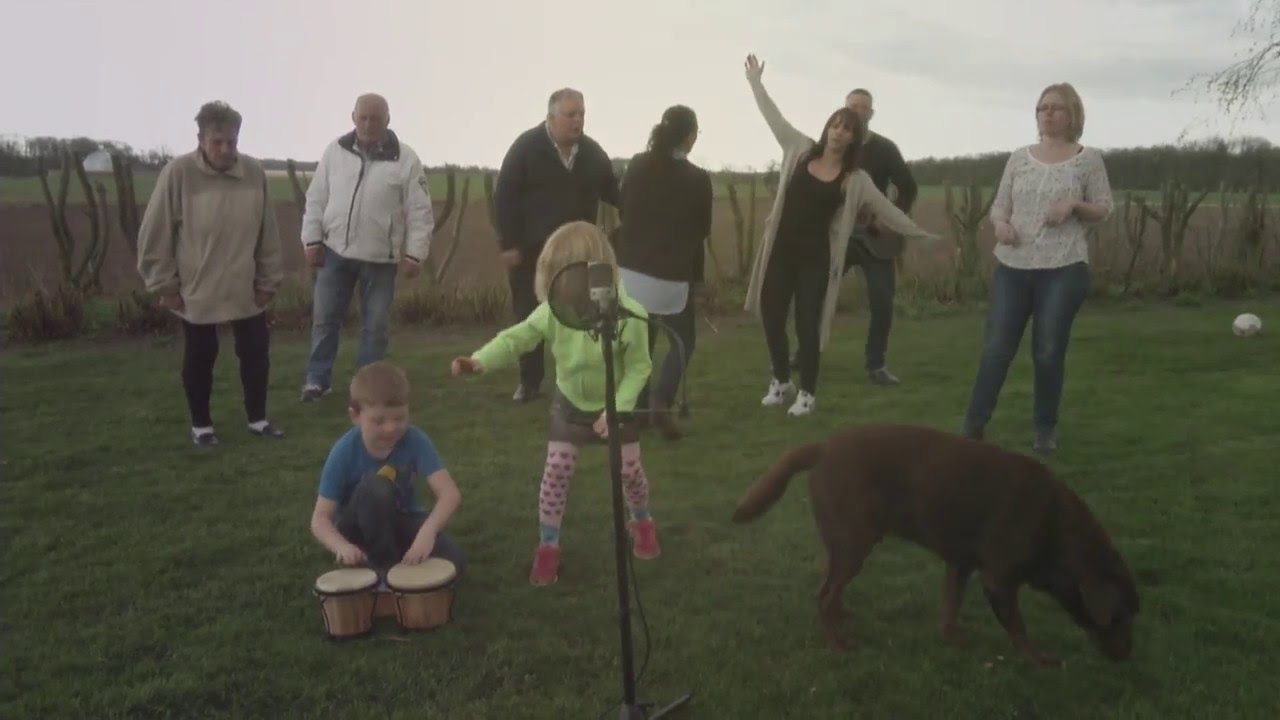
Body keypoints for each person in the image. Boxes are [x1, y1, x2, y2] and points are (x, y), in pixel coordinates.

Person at [451, 221, 658, 586]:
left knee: (629, 471)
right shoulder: (553, 311)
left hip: (615, 406)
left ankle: (641, 520)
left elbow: (640, 366)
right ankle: (548, 546)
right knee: (557, 472)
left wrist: (618, 407)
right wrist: (479, 360)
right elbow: (518, 338)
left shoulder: (629, 313)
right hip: (570, 405)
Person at [741, 54, 940, 417]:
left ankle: (807, 394)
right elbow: (774, 117)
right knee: (771, 315)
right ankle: (781, 381)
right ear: (827, 128)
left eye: (847, 128)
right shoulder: (799, 151)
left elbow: (889, 209)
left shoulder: (855, 179)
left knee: (808, 323)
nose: (839, 131)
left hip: (815, 259)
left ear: (854, 138)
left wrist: (922, 235)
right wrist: (756, 82)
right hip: (781, 252)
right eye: (835, 124)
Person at [960, 82, 1114, 454]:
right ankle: (972, 428)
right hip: (1013, 266)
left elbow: (1105, 208)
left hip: (1064, 268)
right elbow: (1000, 205)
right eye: (1042, 107)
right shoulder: (1019, 158)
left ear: (1073, 115)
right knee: (997, 349)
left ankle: (1045, 428)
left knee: (1047, 351)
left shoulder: (1087, 159)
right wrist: (1001, 225)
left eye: (1056, 108)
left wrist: (1075, 204)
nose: (1047, 113)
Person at [136, 100, 286, 446]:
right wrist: (164, 284)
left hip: (244, 286)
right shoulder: (179, 173)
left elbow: (268, 232)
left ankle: (258, 420)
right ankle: (202, 427)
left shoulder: (253, 173)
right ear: (201, 138)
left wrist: (268, 281)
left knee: (255, 354)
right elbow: (155, 233)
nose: (225, 149)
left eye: (231, 142)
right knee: (201, 356)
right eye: (217, 142)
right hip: (197, 286)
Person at [299, 93, 435, 402]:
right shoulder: (335, 152)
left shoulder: (406, 159)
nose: (369, 124)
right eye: (364, 118)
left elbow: (420, 211)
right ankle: (317, 381)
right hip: (335, 252)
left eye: (376, 118)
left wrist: (415, 254)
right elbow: (316, 198)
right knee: (325, 320)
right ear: (353, 118)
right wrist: (312, 240)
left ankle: (367, 390)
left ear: (388, 120)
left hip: (380, 260)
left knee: (375, 328)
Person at [493, 88, 622, 404]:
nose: (578, 120)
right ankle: (530, 382)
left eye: (581, 114)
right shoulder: (526, 148)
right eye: (571, 114)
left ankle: (580, 382)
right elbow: (504, 198)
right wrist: (509, 244)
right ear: (551, 117)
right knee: (528, 316)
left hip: (577, 254)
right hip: (532, 252)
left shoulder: (592, 154)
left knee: (581, 317)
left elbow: (614, 192)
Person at [790, 88, 919, 386]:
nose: (858, 112)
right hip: (839, 239)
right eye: (852, 107)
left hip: (876, 240)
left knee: (882, 302)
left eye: (864, 108)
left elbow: (908, 188)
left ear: (871, 114)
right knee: (815, 296)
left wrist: (887, 219)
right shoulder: (830, 148)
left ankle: (876, 364)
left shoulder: (886, 149)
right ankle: (803, 353)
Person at [308, 361, 466, 581]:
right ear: (355, 416)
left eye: (399, 418)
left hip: (400, 520)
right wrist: (342, 547)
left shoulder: (415, 439)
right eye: (379, 421)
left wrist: (426, 534)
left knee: (453, 561)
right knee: (375, 487)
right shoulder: (344, 451)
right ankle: (383, 569)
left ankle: (392, 563)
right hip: (358, 533)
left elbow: (450, 495)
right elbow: (320, 519)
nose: (391, 427)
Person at [615, 104, 713, 441]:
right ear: (689, 137)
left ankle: (640, 409)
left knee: (641, 341)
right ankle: (661, 400)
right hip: (673, 276)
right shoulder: (699, 179)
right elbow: (701, 231)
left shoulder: (638, 165)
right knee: (683, 339)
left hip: (630, 271)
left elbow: (623, 206)